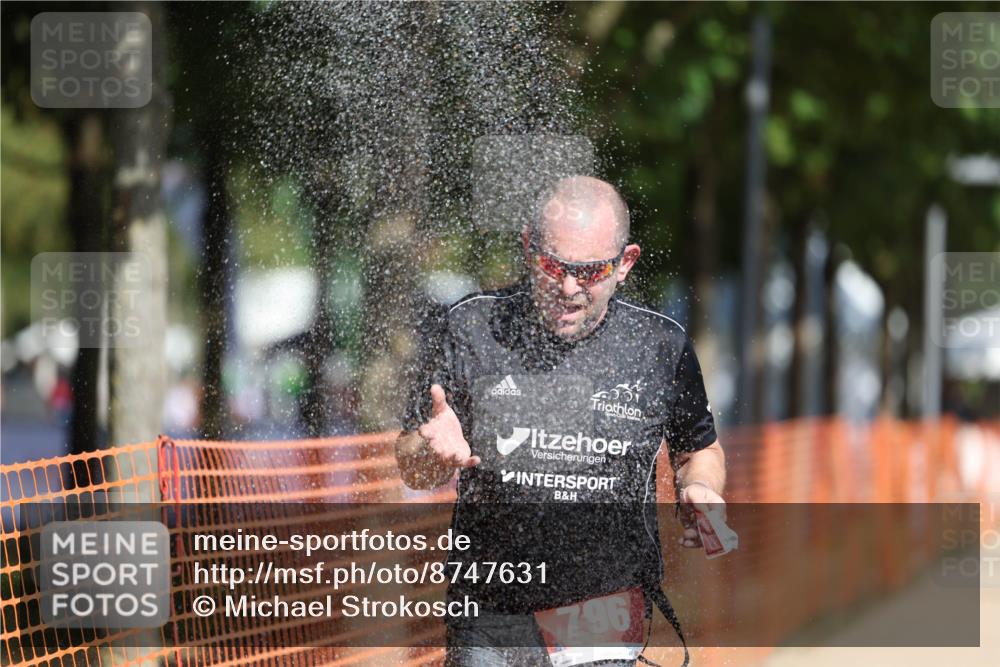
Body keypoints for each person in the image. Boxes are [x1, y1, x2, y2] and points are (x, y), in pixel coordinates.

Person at [396, 175, 726, 666]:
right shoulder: (471, 328)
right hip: (491, 614)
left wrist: (700, 490)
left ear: (625, 264)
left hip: (603, 612)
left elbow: (698, 449)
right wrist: (429, 451)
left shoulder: (659, 346)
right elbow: (411, 465)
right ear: (530, 248)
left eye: (590, 272)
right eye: (553, 266)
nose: (569, 288)